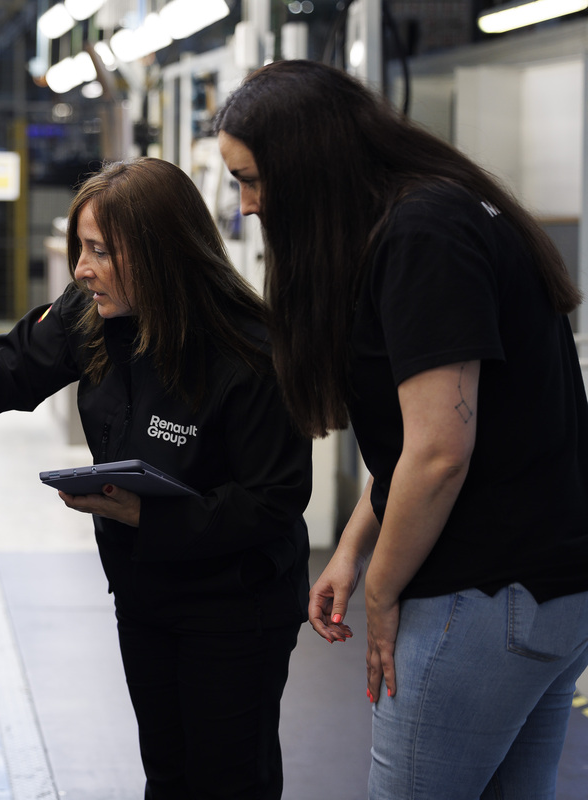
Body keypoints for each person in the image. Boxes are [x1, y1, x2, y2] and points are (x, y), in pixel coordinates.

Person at [0, 157, 312, 799]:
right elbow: (14, 363)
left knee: (229, 781)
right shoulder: (93, 314)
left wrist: (150, 517)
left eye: (98, 251)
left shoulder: (250, 354)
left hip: (235, 606)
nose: (80, 268)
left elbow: (273, 501)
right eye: (80, 249)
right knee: (169, 774)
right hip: (145, 589)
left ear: (159, 253)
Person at [214, 59, 588, 799]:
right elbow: (415, 444)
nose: (250, 205)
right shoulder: (438, 212)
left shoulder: (422, 237)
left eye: (254, 179)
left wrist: (380, 591)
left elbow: (442, 452)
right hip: (542, 591)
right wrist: (352, 549)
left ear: (310, 167)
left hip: (487, 593)